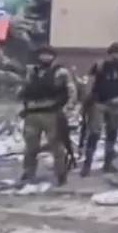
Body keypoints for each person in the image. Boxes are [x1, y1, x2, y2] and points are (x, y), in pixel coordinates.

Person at [19, 45, 77, 185]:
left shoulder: (61, 72)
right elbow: (25, 89)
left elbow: (71, 91)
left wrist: (68, 109)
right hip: (32, 114)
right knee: (30, 147)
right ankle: (28, 172)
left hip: (51, 113)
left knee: (56, 146)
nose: (45, 57)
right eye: (43, 54)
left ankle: (61, 174)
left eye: (48, 55)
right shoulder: (32, 71)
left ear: (53, 57)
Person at [81, 42, 118, 176]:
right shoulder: (99, 66)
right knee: (94, 134)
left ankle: (108, 163)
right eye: (115, 53)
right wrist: (87, 100)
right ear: (110, 54)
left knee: (112, 134)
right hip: (99, 103)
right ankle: (87, 165)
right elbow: (90, 84)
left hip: (115, 104)